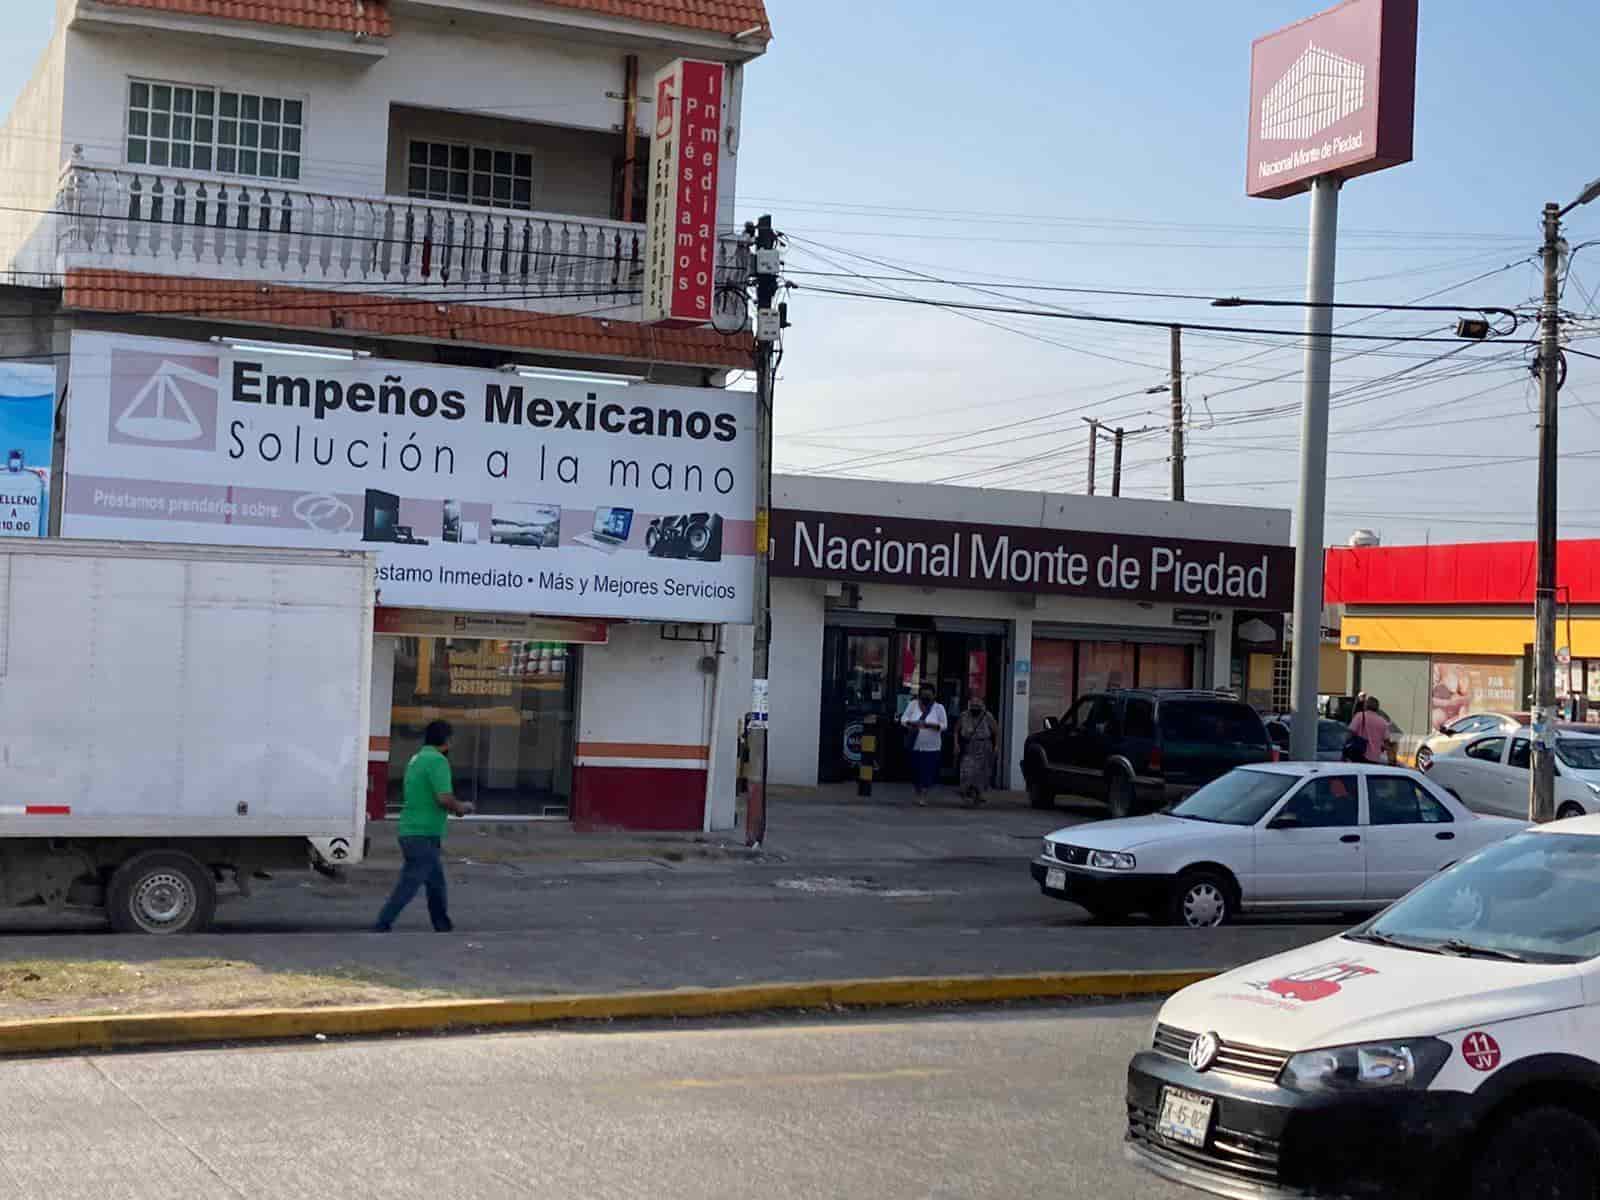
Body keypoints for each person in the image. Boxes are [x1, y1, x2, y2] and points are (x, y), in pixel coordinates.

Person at [375, 720, 472, 932]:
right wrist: (461, 808)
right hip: (422, 833)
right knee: (410, 883)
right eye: (450, 739)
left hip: (414, 829)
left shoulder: (416, 758)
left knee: (436, 882)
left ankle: (441, 923)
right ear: (446, 740)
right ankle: (383, 922)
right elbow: (443, 798)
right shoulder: (438, 761)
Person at [901, 683, 948, 804]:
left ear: (934, 695)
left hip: (932, 747)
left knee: (928, 772)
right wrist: (912, 723)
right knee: (915, 771)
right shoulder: (913, 705)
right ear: (920, 695)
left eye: (929, 694)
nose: (926, 697)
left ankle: (923, 795)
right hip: (915, 745)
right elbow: (903, 719)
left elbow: (944, 725)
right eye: (924, 694)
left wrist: (932, 725)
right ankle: (917, 792)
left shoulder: (939, 708)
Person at [956, 692, 1000, 807]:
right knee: (967, 771)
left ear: (982, 705)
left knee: (981, 774)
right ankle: (966, 795)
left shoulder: (987, 716)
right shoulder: (964, 715)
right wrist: (956, 745)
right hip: (969, 746)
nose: (975, 707)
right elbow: (956, 730)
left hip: (984, 746)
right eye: (973, 704)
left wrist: (996, 746)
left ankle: (978, 796)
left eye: (977, 705)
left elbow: (996, 731)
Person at [1348, 695, 1392, 764]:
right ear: (1377, 708)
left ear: (1366, 706)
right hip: (1375, 758)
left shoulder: (1359, 716)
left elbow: (1350, 732)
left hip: (1359, 755)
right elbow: (1387, 741)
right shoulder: (1383, 722)